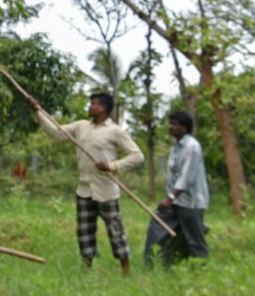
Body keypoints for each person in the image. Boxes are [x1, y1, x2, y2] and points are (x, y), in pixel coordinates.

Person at [34, 92, 144, 276]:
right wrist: (37, 111)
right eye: (91, 103)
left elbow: (138, 156)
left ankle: (126, 271)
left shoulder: (115, 131)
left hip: (107, 192)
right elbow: (56, 131)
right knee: (85, 232)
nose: (90, 106)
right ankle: (87, 268)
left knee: (116, 232)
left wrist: (112, 166)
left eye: (94, 104)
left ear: (104, 108)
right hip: (84, 190)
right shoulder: (80, 126)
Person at [143, 111, 210, 267]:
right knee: (157, 224)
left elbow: (187, 177)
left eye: (174, 124)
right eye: (170, 123)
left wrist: (170, 198)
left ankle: (200, 266)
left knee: (194, 238)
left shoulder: (192, 147)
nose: (170, 127)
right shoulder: (176, 146)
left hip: (190, 202)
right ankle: (154, 262)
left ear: (185, 127)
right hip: (175, 200)